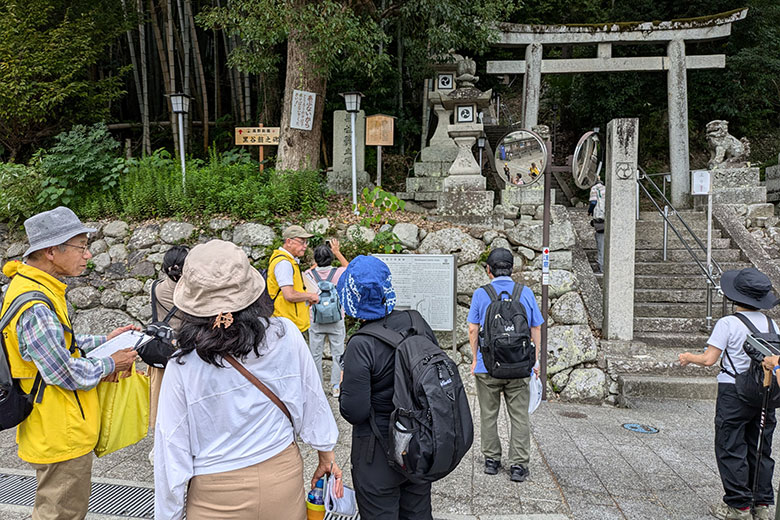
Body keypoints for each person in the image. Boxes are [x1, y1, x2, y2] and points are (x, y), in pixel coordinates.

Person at [154, 239, 342, 520]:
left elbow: (172, 446)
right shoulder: (284, 333)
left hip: (215, 492)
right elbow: (312, 396)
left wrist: (168, 513)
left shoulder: (184, 362)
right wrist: (325, 454)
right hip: (281, 476)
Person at [1, 206, 139, 520]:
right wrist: (110, 363)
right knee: (61, 513)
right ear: (51, 251)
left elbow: (60, 346)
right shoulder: (36, 304)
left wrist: (106, 340)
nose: (88, 255)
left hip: (54, 424)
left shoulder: (33, 289)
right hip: (61, 429)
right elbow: (61, 371)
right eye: (81, 246)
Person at [338, 255, 437, 519]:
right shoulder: (416, 322)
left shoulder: (361, 344)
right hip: (417, 445)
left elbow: (354, 412)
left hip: (376, 453)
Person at [679, 268, 780, 520]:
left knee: (731, 445)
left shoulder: (728, 323)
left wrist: (687, 357)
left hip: (733, 391)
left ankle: (739, 506)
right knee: (760, 447)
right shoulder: (772, 324)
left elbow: (709, 359)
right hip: (765, 391)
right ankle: (762, 505)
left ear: (735, 297)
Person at [467, 248, 543, 483]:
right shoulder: (525, 292)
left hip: (487, 366)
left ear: (488, 270)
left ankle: (491, 461)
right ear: (512, 269)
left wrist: (474, 358)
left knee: (489, 414)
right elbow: (536, 328)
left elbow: (472, 329)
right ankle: (519, 465)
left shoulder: (482, 294)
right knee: (519, 415)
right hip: (519, 366)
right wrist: (535, 360)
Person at [147, 245, 188, 464]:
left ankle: (157, 448)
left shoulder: (155, 287)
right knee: (181, 401)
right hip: (184, 352)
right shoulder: (190, 291)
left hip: (161, 351)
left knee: (159, 399)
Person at [303, 239, 349, 397]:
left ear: (316, 259)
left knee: (315, 354)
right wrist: (338, 252)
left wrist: (314, 267)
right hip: (336, 318)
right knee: (338, 353)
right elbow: (350, 269)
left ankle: (318, 387)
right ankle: (336, 386)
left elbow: (306, 277)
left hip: (315, 318)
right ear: (331, 257)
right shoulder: (339, 272)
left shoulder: (308, 275)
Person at [266, 225, 319, 333]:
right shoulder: (284, 263)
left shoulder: (289, 261)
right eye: (302, 242)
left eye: (306, 242)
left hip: (290, 322)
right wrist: (310, 295)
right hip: (287, 324)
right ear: (289, 241)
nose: (305, 246)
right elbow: (289, 295)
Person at [588, 177, 606, 274]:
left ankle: (602, 268)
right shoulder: (607, 188)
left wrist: (589, 211)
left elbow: (593, 202)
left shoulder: (595, 189)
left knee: (601, 245)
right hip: (609, 219)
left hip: (600, 220)